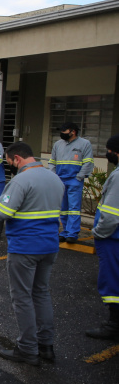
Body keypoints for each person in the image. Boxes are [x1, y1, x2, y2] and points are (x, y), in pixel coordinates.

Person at [0, 142, 64, 366]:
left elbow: (2, 213)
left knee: (22, 298)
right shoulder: (54, 178)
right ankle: (46, 346)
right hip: (49, 245)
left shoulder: (20, 181)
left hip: (25, 247)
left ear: (17, 159)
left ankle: (27, 349)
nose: (10, 166)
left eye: (9, 162)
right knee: (41, 293)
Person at [88, 134, 119, 341]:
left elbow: (111, 214)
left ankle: (114, 324)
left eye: (109, 150)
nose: (108, 154)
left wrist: (98, 233)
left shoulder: (118, 177)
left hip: (113, 238)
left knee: (112, 281)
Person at [49, 122, 94, 243]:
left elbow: (88, 162)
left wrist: (79, 177)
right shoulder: (58, 144)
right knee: (63, 208)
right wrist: (54, 177)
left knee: (73, 208)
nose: (61, 133)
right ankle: (65, 231)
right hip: (60, 180)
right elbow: (52, 162)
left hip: (75, 180)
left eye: (64, 131)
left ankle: (72, 233)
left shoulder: (84, 144)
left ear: (73, 132)